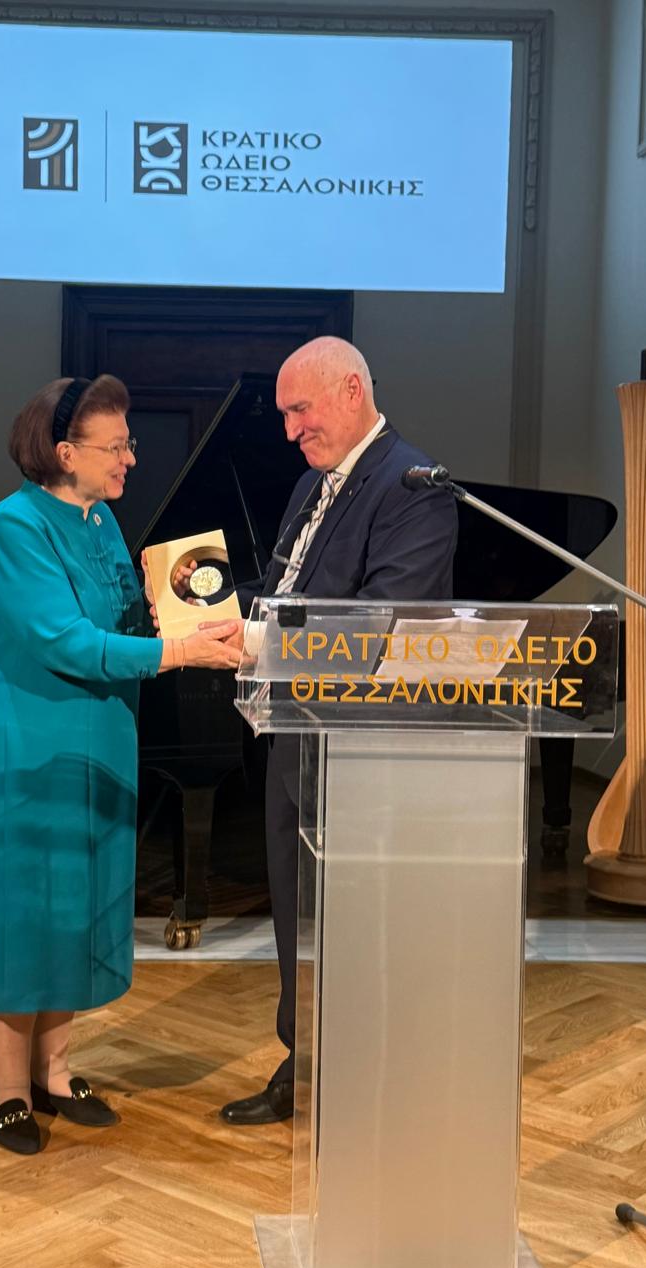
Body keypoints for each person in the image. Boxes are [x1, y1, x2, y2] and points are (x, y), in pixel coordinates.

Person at [0, 374, 240, 1155]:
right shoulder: (13, 527)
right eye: (115, 446)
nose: (130, 459)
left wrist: (166, 607)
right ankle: (7, 1088)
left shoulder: (102, 519)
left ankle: (54, 1072)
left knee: (78, 904)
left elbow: (118, 621)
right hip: (29, 747)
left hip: (100, 736)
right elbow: (65, 642)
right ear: (64, 452)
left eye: (128, 443)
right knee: (25, 911)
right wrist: (179, 650)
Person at [209, 336, 458, 1124]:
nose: (289, 430)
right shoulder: (313, 485)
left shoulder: (412, 486)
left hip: (359, 749)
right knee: (297, 911)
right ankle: (307, 1063)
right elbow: (287, 593)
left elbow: (379, 625)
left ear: (352, 391)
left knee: (355, 920)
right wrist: (216, 614)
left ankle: (368, 1082)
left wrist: (255, 642)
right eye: (285, 415)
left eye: (300, 410)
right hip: (297, 735)